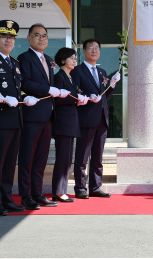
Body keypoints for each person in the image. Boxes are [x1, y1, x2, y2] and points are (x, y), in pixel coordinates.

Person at [17, 24, 65, 210]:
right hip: (32, 115)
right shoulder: (24, 58)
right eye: (37, 35)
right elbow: (26, 83)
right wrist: (48, 89)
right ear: (29, 38)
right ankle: (25, 195)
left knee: (41, 158)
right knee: (27, 157)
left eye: (44, 36)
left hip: (47, 115)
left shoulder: (49, 59)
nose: (41, 39)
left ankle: (37, 193)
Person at [0, 20, 26, 215]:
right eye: (4, 37)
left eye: (11, 37)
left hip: (16, 120)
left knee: (10, 163)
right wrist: (1, 99)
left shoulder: (15, 63)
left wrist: (27, 98)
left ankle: (6, 198)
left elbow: (18, 91)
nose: (9, 40)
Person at [71, 39, 120, 199]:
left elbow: (104, 97)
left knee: (98, 157)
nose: (94, 50)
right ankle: (80, 188)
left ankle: (95, 187)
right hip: (86, 118)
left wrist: (112, 85)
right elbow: (73, 93)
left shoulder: (102, 73)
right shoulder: (77, 71)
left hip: (102, 119)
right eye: (90, 48)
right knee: (82, 155)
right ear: (83, 51)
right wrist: (85, 97)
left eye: (97, 48)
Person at [51, 47, 88, 202]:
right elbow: (58, 99)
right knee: (62, 158)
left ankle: (61, 190)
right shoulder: (59, 77)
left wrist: (78, 99)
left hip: (71, 122)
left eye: (75, 58)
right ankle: (58, 192)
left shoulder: (70, 77)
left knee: (67, 159)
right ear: (62, 60)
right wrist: (75, 98)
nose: (74, 60)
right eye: (71, 58)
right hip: (63, 123)